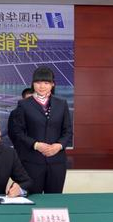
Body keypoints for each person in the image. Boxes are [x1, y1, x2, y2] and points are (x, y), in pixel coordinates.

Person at [10, 66, 72, 194]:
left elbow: (68, 131)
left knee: (54, 199)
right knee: (33, 198)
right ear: (33, 84)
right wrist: (36, 145)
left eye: (46, 83)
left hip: (57, 162)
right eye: (38, 82)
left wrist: (59, 146)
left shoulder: (61, 104)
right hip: (32, 162)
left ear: (52, 84)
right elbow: (18, 133)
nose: (42, 86)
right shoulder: (24, 104)